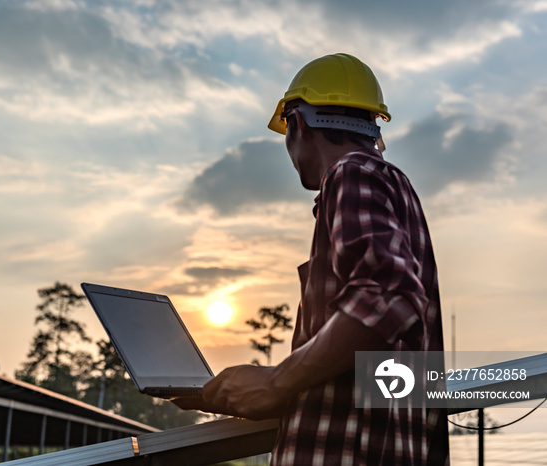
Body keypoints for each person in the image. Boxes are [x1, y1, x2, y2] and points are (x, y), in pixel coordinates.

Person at [175, 53, 449, 465]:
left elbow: (387, 295)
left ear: (298, 124)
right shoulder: (399, 189)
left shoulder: (352, 173)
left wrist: (277, 383)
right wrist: (269, 392)